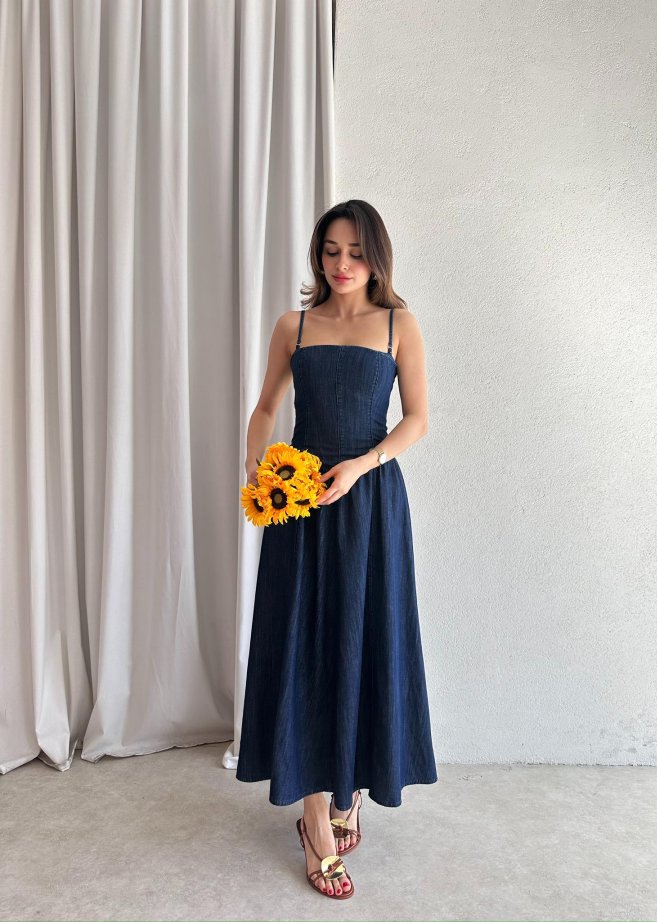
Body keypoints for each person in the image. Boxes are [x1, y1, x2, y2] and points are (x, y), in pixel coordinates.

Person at [235, 199, 437, 899]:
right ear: (317, 256)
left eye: (354, 252)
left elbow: (417, 420)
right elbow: (267, 407)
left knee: (362, 640)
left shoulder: (398, 325)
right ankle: (315, 821)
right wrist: (257, 467)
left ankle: (348, 785)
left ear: (376, 257)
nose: (341, 265)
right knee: (304, 647)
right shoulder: (293, 326)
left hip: (370, 505)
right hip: (299, 506)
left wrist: (361, 465)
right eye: (330, 251)